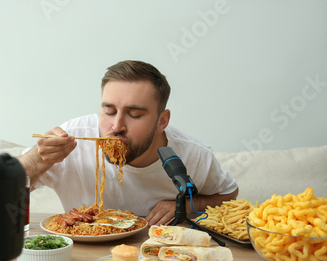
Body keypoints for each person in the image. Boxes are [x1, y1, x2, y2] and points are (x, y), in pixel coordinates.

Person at [18, 60, 238, 226]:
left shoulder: (191, 154)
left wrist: (187, 205)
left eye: (134, 114)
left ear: (162, 121)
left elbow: (228, 194)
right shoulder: (72, 138)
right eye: (109, 111)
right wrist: (36, 159)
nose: (116, 126)